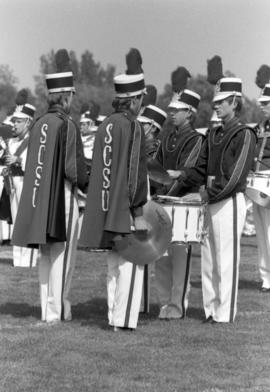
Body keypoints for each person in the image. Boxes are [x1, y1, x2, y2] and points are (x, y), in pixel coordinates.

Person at [12, 49, 89, 324]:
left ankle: (47, 310)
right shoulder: (67, 124)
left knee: (46, 256)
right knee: (62, 258)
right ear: (66, 96)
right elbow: (73, 169)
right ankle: (57, 311)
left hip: (38, 199)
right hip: (63, 199)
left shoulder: (39, 123)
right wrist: (89, 184)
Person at [175, 77, 257, 323]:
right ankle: (210, 309)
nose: (217, 106)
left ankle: (224, 312)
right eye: (216, 102)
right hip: (210, 200)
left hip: (229, 201)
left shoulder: (244, 134)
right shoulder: (213, 133)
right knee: (209, 259)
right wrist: (178, 183)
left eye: (222, 102)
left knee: (226, 259)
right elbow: (200, 168)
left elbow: (234, 178)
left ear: (234, 103)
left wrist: (204, 194)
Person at [79, 48, 149, 331]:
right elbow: (135, 173)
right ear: (132, 100)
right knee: (131, 264)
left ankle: (112, 317)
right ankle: (124, 321)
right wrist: (139, 211)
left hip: (103, 206)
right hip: (124, 208)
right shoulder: (134, 127)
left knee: (112, 264)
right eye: (141, 99)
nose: (142, 104)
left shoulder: (105, 124)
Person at [151, 88, 205, 320]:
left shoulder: (196, 140)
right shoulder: (167, 139)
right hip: (163, 200)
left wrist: (175, 178)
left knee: (180, 255)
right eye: (172, 109)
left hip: (183, 204)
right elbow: (158, 169)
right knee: (161, 256)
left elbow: (193, 173)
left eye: (178, 110)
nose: (172, 113)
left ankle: (177, 304)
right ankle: (164, 303)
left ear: (190, 113)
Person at [5, 103, 39, 267]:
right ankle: (18, 260)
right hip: (12, 184)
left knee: (28, 221)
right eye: (14, 121)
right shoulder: (11, 142)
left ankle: (29, 260)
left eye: (18, 121)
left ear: (28, 122)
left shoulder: (35, 140)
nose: (15, 124)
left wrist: (19, 160)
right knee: (16, 221)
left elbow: (39, 163)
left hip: (27, 183)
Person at [252, 81, 270, 291]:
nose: (262, 106)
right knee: (260, 229)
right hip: (257, 179)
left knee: (269, 229)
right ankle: (265, 276)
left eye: (266, 103)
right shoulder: (261, 126)